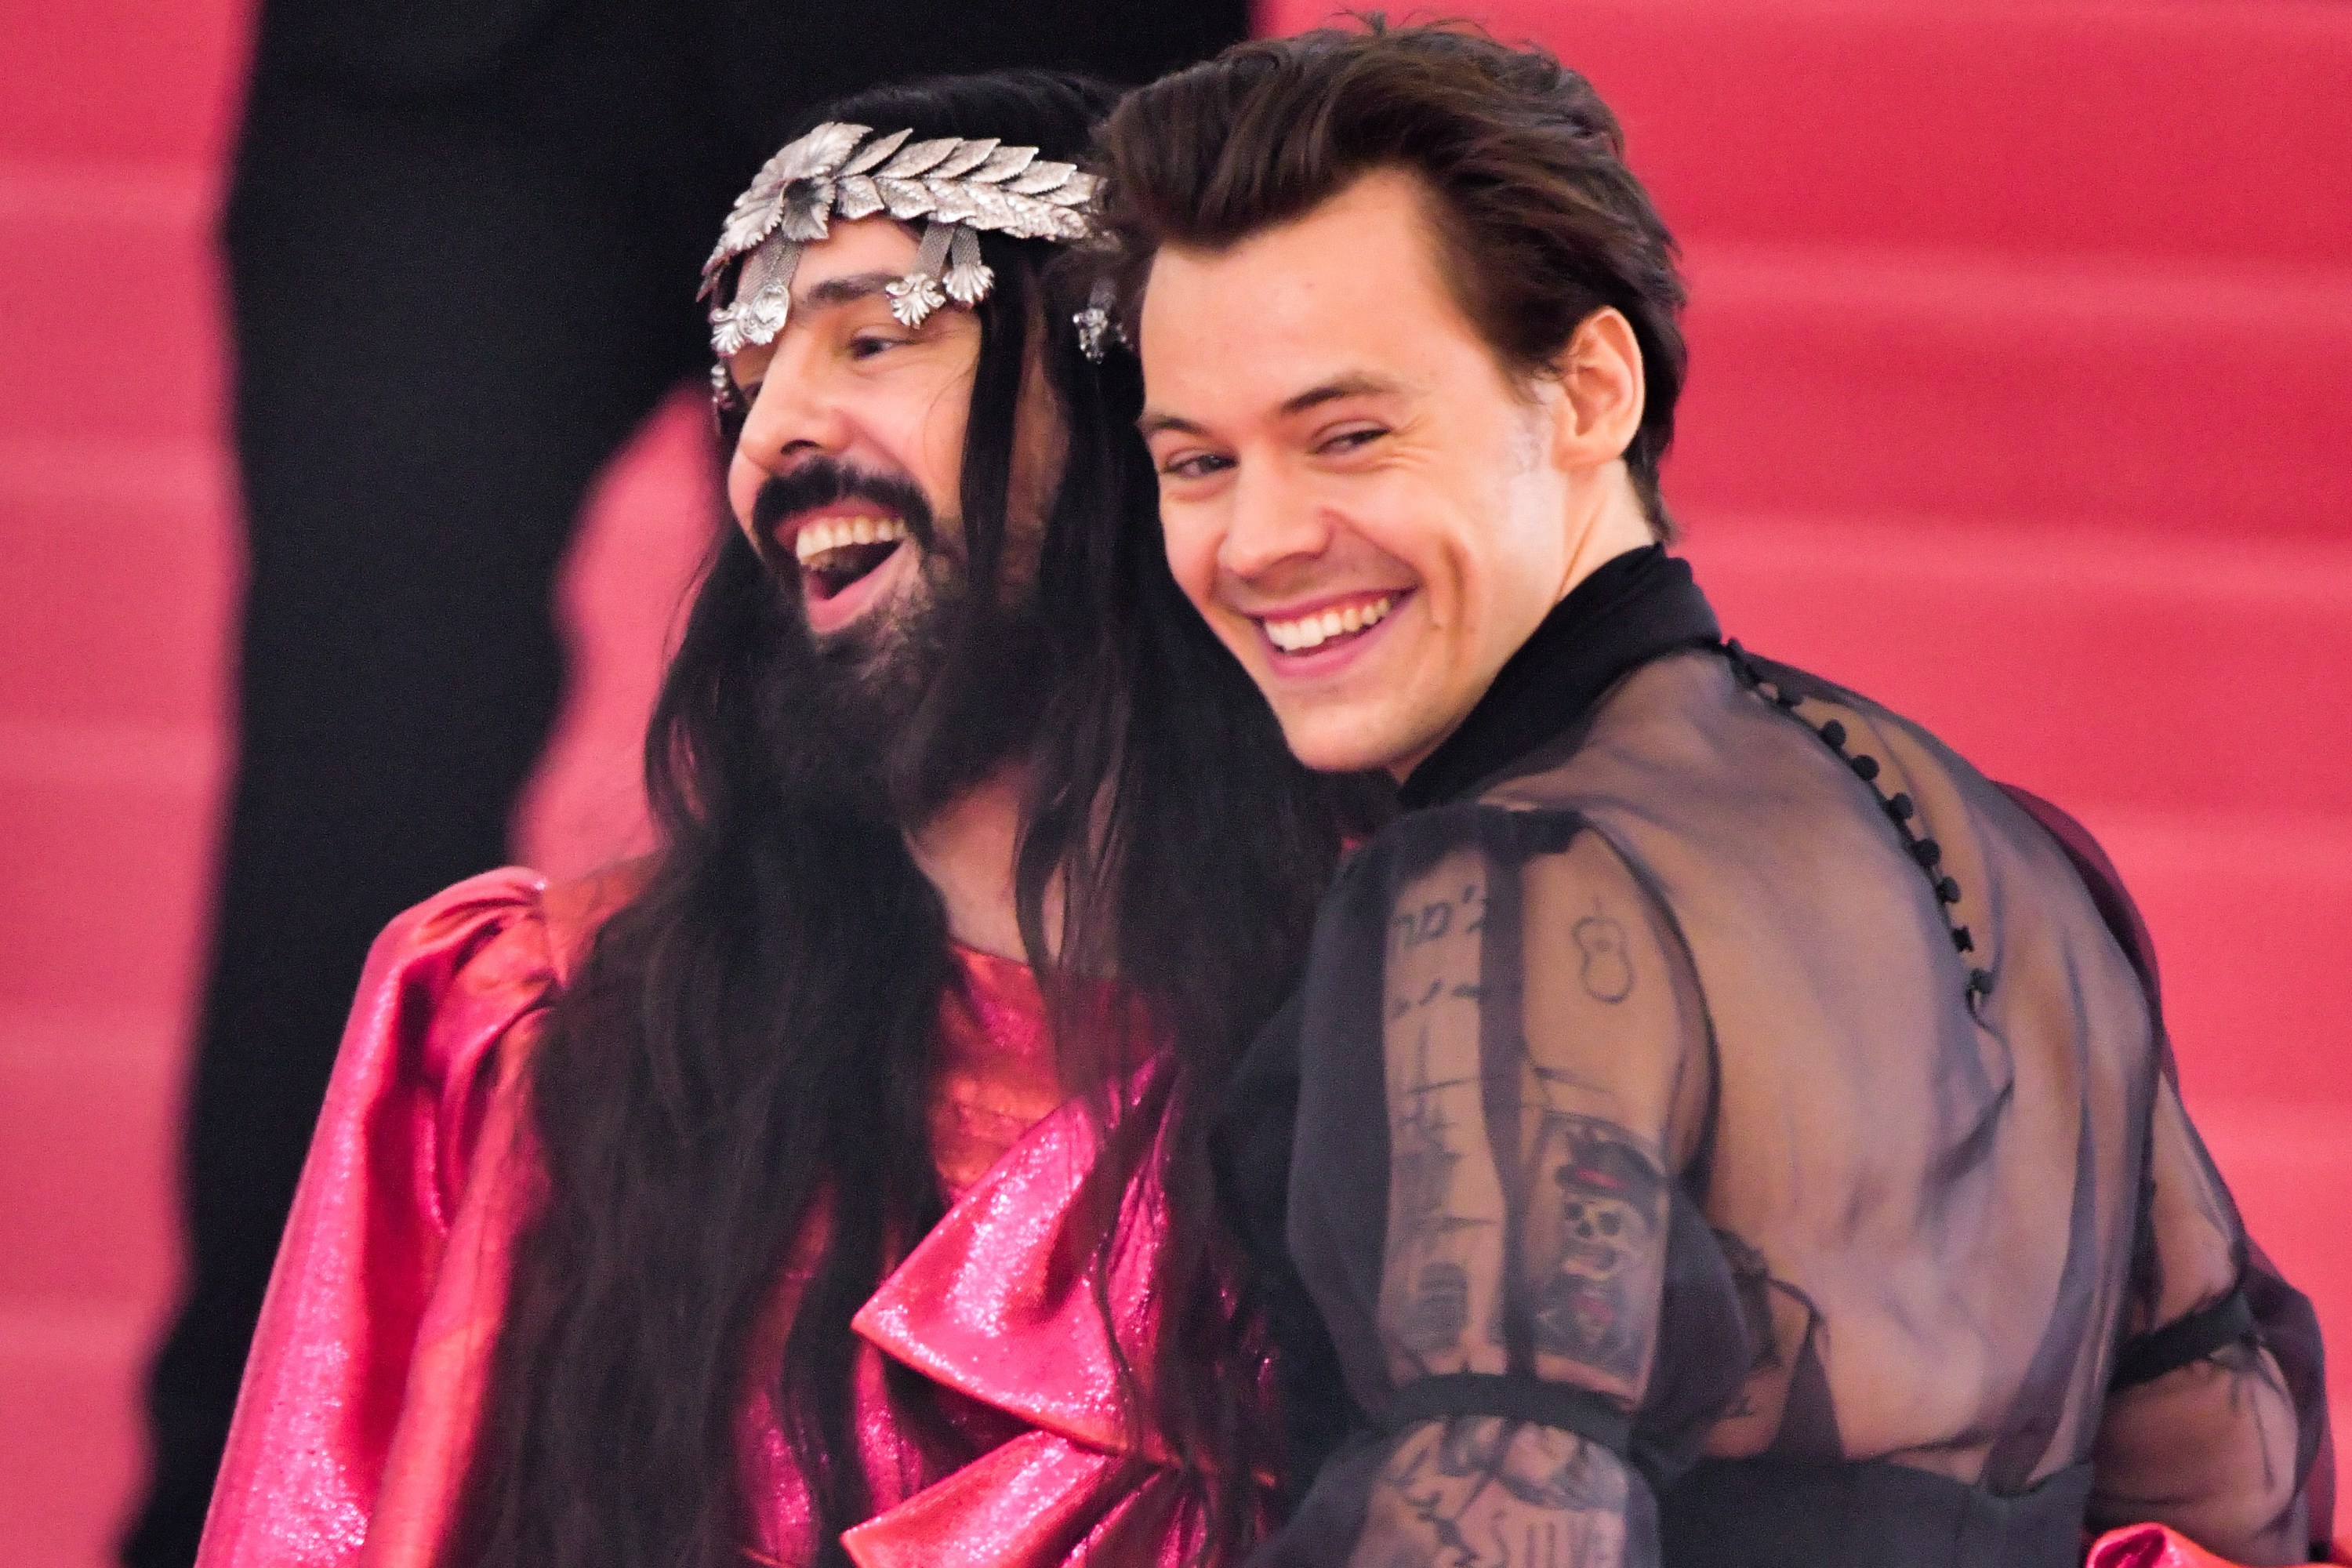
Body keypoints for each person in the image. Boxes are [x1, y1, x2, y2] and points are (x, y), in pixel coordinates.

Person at [1087, 24, 2335, 1568]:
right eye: (1195, 464)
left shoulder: (1503, 885)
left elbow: (1490, 1524)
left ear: (1592, 388)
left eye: (1349, 434)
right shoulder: (2010, 851)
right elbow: (2238, 1480)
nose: (1258, 538)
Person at [191, 71, 1363, 1568]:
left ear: (1141, 411)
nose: (770, 436)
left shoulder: (1409, 1038)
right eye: (745, 382)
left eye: (873, 339)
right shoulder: (546, 1026)